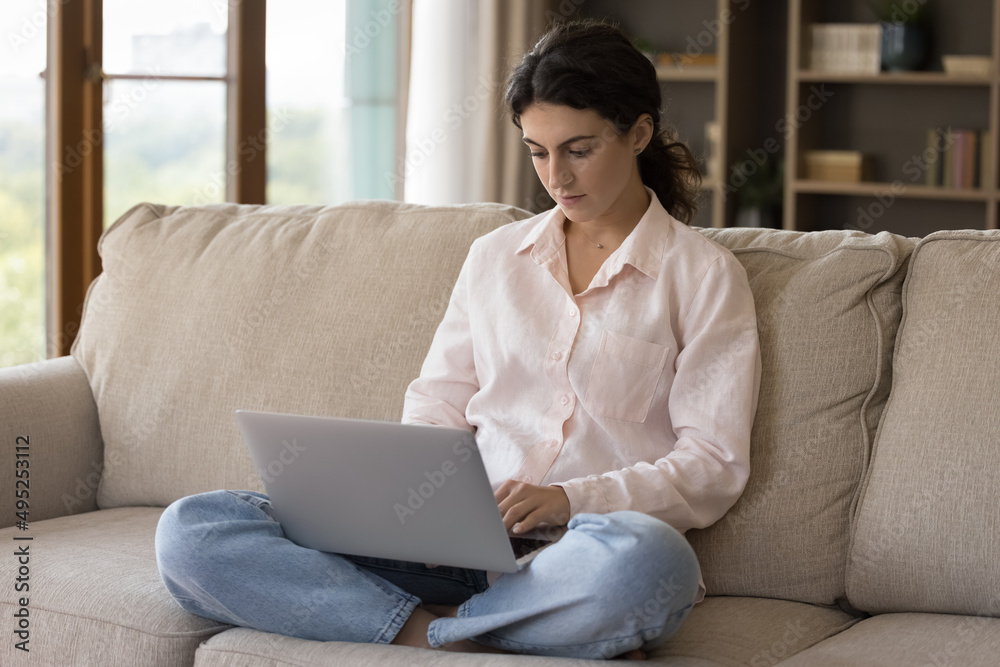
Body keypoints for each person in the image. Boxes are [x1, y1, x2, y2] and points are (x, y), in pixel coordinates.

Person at [154, 19, 761, 661]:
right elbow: (439, 404)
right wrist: (409, 504)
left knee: (650, 564)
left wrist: (567, 499)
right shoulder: (494, 259)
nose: (556, 176)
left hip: (583, 553)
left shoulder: (704, 277)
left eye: (579, 149)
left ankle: (420, 625)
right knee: (194, 530)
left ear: (638, 133)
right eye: (536, 151)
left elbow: (713, 466)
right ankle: (462, 633)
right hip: (450, 548)